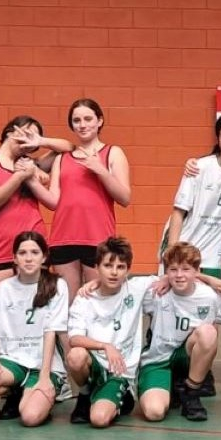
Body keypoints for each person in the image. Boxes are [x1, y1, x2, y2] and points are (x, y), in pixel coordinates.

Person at [0, 116, 63, 373]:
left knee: (36, 316)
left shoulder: (32, 164)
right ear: (10, 131)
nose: (28, 141)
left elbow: (67, 148)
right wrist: (20, 176)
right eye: (26, 133)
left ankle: (35, 372)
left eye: (34, 138)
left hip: (31, 248)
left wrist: (40, 143)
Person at [0, 231, 71, 427]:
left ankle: (43, 393)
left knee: (30, 417)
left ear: (44, 257)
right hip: (13, 362)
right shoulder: (3, 288)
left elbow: (51, 332)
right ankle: (16, 390)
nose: (29, 258)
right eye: (22, 253)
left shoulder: (57, 285)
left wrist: (44, 377)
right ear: (14, 258)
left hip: (44, 365)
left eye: (35, 252)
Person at [65, 236, 155, 428]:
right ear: (97, 267)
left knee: (99, 420)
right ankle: (85, 394)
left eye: (120, 267)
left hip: (118, 371)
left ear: (128, 270)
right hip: (95, 364)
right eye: (107, 265)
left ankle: (123, 396)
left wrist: (208, 279)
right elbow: (74, 338)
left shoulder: (136, 289)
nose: (114, 272)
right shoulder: (84, 298)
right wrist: (105, 346)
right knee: (76, 356)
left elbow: (177, 274)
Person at [51, 98, 134, 296]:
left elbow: (124, 198)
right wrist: (31, 178)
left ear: (99, 121)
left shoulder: (113, 153)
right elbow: (53, 200)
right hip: (63, 238)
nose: (82, 125)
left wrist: (101, 170)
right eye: (77, 120)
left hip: (97, 238)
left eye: (88, 119)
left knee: (96, 300)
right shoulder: (61, 158)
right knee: (67, 303)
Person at [137, 242, 221, 424]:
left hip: (186, 357)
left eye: (186, 269)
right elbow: (119, 285)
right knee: (154, 413)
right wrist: (94, 283)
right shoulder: (155, 291)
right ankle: (170, 386)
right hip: (158, 360)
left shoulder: (209, 296)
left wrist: (210, 279)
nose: (179, 275)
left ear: (197, 271)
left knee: (208, 332)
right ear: (165, 272)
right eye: (173, 270)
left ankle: (191, 393)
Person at [168, 114, 221, 279]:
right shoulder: (199, 167)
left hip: (215, 258)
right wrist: (172, 252)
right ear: (218, 140)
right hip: (186, 249)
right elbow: (178, 212)